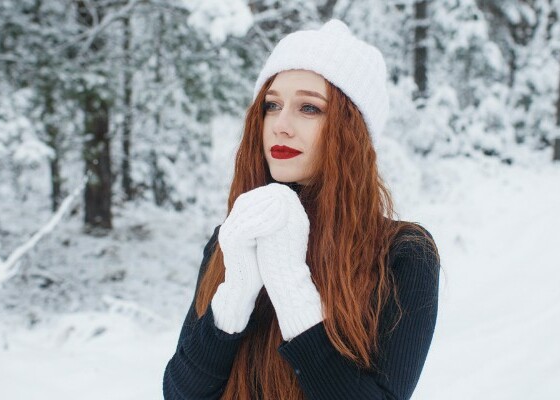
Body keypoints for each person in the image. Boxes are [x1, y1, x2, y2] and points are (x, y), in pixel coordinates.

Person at [163, 19, 440, 400]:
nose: (281, 125)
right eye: (271, 105)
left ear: (352, 129)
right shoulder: (234, 236)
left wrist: (292, 286)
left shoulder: (403, 253)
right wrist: (236, 293)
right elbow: (181, 394)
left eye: (309, 108)